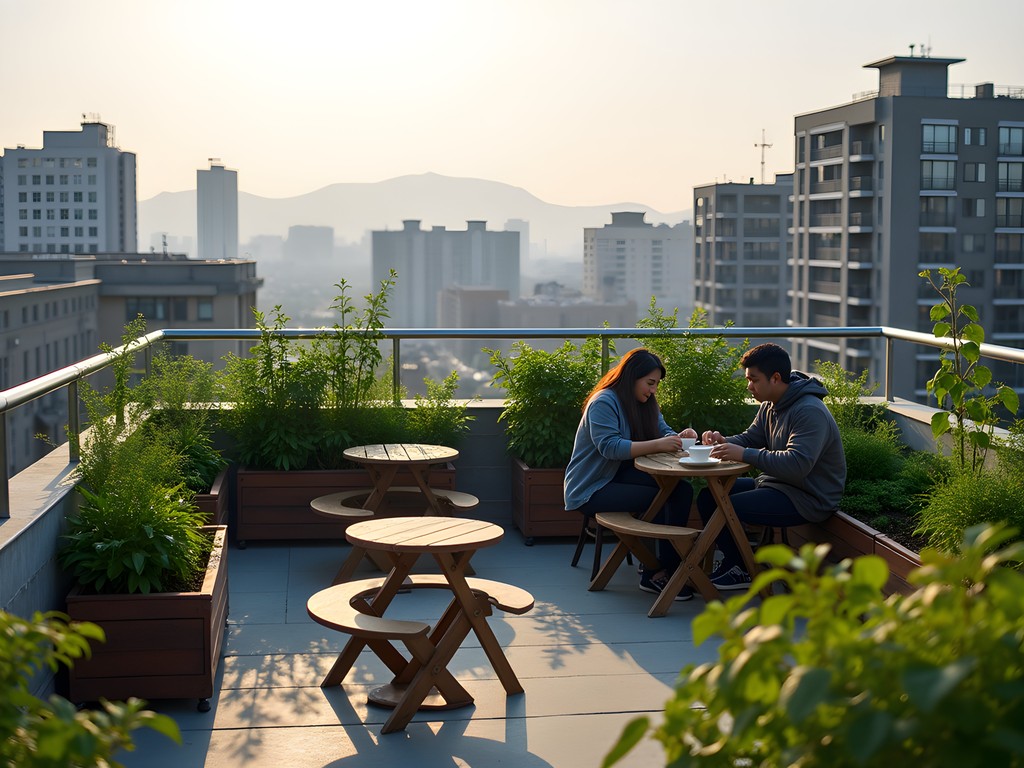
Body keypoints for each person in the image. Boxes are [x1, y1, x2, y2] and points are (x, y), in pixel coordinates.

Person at [698, 342, 846, 590]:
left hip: (807, 497)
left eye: (754, 379)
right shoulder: (770, 404)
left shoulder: (809, 411)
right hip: (777, 486)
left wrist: (744, 454)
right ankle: (738, 563)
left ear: (775, 378)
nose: (749, 386)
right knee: (708, 497)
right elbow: (750, 438)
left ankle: (742, 568)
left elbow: (797, 464)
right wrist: (724, 442)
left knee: (728, 505)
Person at [564, 347, 697, 599]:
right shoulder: (603, 402)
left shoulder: (646, 403)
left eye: (656, 384)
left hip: (616, 476)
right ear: (632, 377)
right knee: (662, 497)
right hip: (591, 488)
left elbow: (663, 430)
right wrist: (659, 444)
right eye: (650, 383)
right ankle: (655, 572)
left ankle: (667, 565)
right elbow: (610, 447)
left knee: (681, 490)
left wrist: (679, 437)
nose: (653, 389)